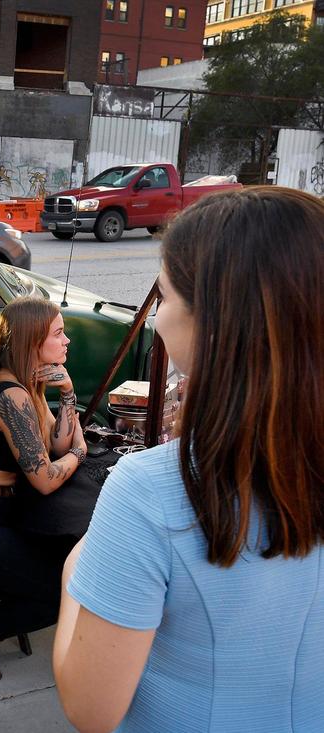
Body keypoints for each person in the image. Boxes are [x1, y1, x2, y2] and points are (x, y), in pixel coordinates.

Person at [54, 187, 324, 732]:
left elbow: (90, 708)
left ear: (216, 323)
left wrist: (74, 570)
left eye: (166, 298)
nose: (156, 320)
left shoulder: (150, 491)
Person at [0, 296, 87, 686]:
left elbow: (57, 444)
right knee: (61, 589)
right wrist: (77, 454)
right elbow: (47, 476)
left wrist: (67, 391)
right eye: (58, 333)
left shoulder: (27, 386)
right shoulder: (10, 395)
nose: (66, 340)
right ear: (32, 341)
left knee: (59, 564)